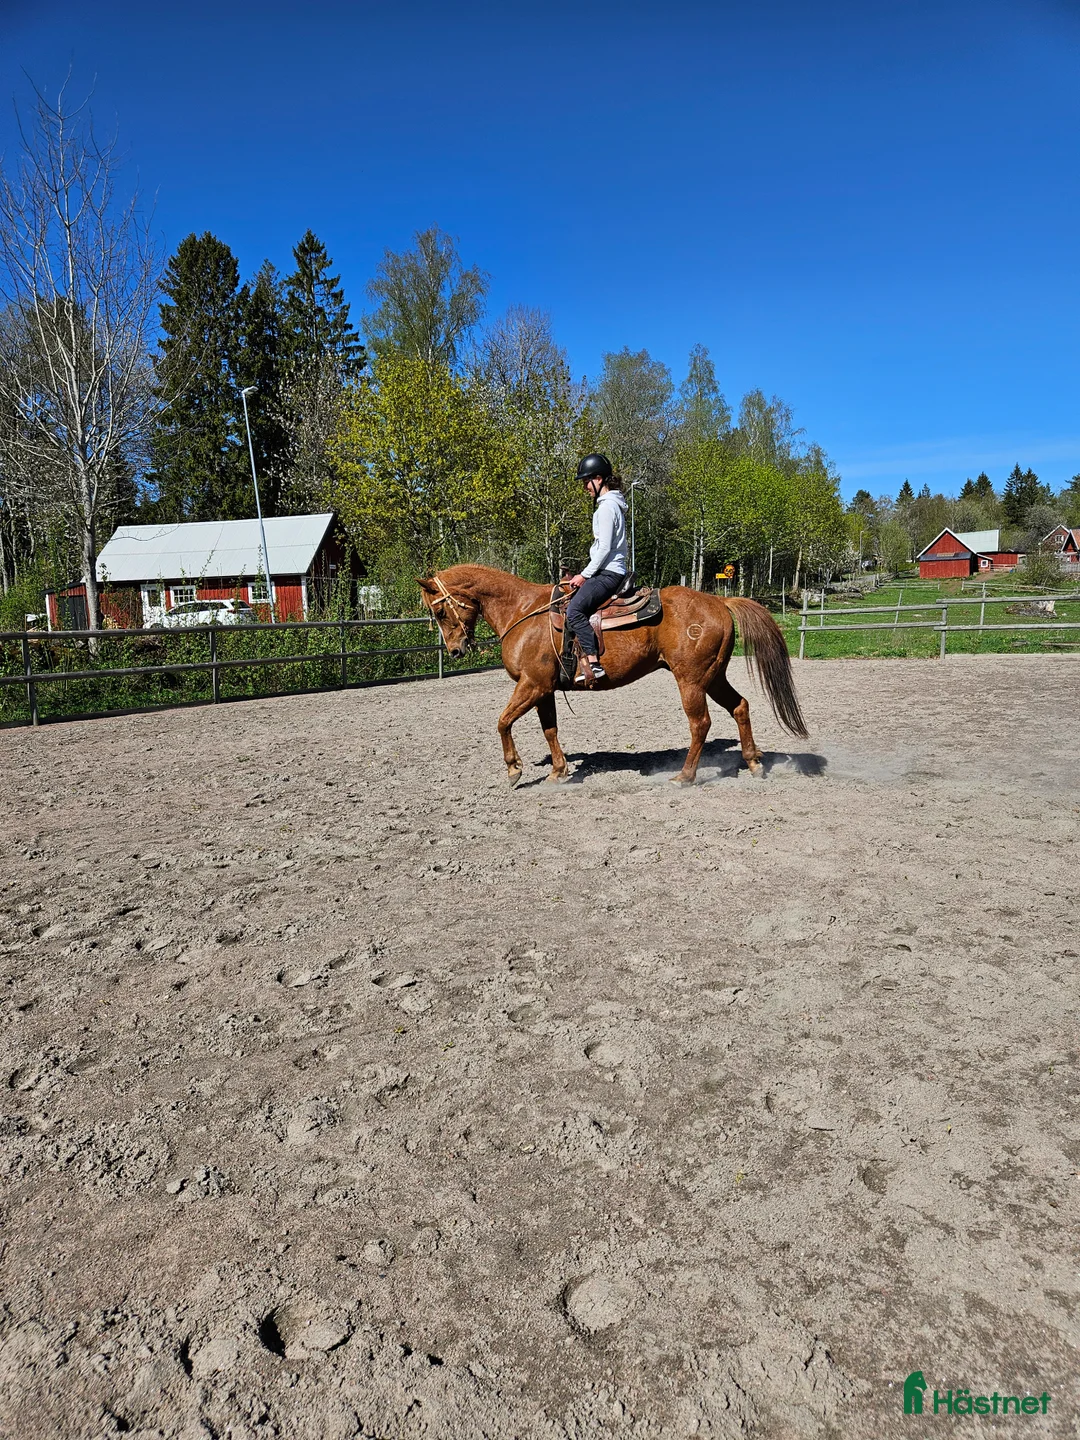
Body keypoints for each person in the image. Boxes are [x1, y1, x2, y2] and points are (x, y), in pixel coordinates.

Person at [565, 453, 628, 685]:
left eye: (586, 481)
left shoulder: (606, 508)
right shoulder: (611, 505)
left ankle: (594, 664)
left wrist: (584, 575)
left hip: (609, 572)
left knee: (574, 611)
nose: (585, 487)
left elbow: (604, 549)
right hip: (609, 570)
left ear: (599, 479)